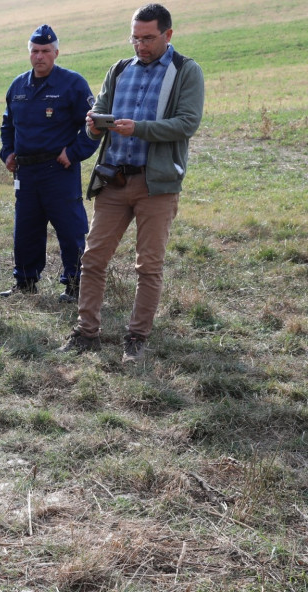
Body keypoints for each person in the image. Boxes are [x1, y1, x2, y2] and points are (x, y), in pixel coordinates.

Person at [59, 3, 204, 363]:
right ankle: (86, 332)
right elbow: (99, 113)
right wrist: (93, 124)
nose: (140, 45)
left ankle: (136, 338)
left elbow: (186, 123)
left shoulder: (186, 71)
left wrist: (139, 128)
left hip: (157, 184)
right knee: (92, 259)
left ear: (168, 35)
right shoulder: (119, 69)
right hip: (113, 180)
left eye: (148, 38)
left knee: (149, 266)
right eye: (135, 38)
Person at [0, 25, 100, 302]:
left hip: (59, 170)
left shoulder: (72, 84)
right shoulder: (18, 86)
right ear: (28, 53)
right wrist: (7, 152)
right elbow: (7, 125)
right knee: (26, 229)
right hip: (26, 172)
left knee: (70, 229)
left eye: (45, 51)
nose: (39, 56)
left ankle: (76, 285)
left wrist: (75, 152)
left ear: (56, 52)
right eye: (35, 51)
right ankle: (26, 282)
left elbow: (94, 126)